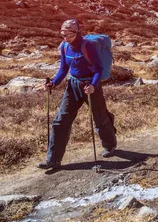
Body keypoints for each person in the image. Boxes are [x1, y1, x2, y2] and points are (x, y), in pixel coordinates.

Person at [38, 19, 117, 170]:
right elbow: (63, 69)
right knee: (60, 120)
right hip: (73, 86)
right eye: (63, 35)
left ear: (77, 32)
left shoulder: (87, 45)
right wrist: (53, 83)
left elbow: (99, 69)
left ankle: (110, 145)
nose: (65, 38)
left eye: (68, 35)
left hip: (90, 86)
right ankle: (53, 160)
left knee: (100, 117)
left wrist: (93, 86)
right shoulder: (64, 46)